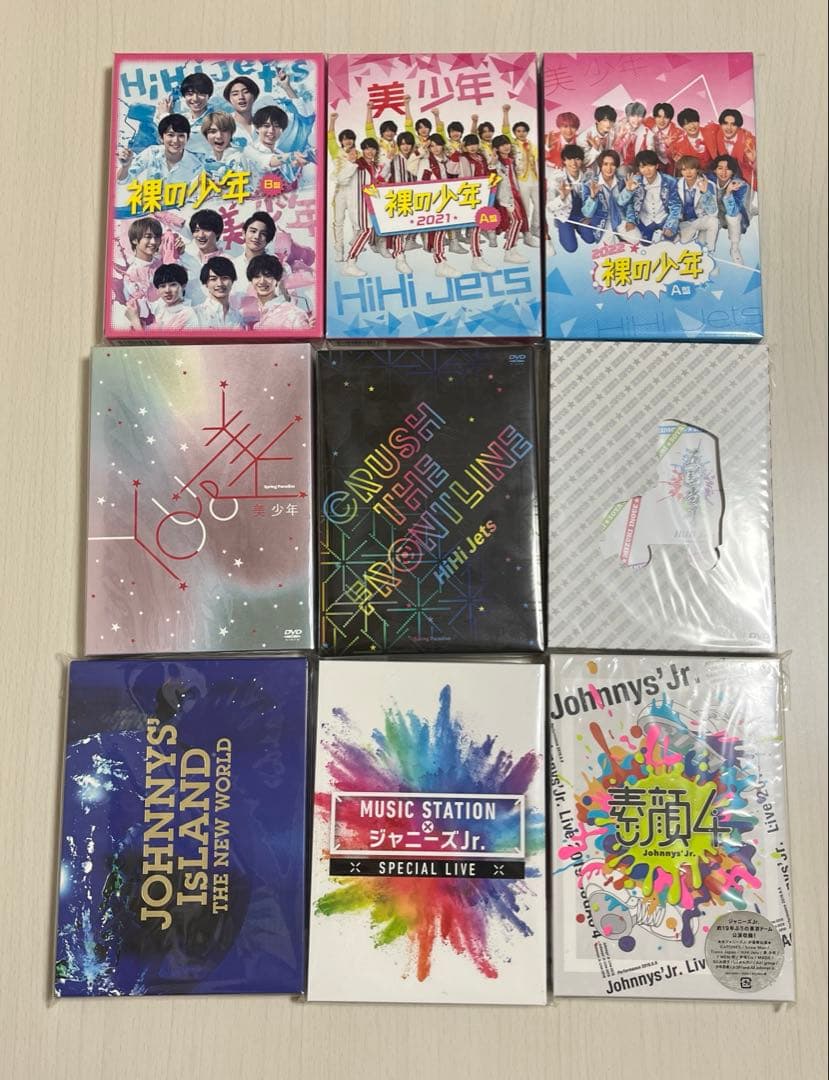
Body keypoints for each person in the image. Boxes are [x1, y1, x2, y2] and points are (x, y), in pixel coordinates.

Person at [447, 133, 495, 273]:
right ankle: (475, 256)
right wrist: (458, 151)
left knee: (477, 225)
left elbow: (489, 172)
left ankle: (477, 257)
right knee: (472, 224)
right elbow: (450, 169)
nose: (472, 147)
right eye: (469, 145)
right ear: (464, 146)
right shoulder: (462, 157)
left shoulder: (481, 157)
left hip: (482, 193)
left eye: (474, 144)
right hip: (468, 194)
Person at [341, 138, 389, 277]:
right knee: (366, 230)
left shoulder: (372, 165)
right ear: (362, 150)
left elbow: (372, 184)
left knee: (370, 229)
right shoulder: (358, 164)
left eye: (373, 148)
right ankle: (350, 263)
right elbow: (342, 179)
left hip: (370, 204)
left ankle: (356, 257)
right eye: (367, 148)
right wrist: (350, 163)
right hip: (359, 204)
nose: (370, 151)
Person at [116, 114, 201, 184]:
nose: (175, 140)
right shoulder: (152, 152)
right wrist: (125, 167)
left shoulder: (196, 163)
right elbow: (122, 180)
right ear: (161, 138)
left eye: (181, 136)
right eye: (170, 135)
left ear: (187, 138)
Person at [239, 254, 311, 330]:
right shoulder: (245, 315)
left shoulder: (294, 315)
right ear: (251, 280)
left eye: (268, 276)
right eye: (257, 276)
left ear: (277, 279)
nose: (262, 281)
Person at [624, 149, 681, 243]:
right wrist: (630, 220)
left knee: (670, 244)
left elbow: (676, 206)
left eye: (650, 166)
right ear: (639, 168)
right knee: (644, 245)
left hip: (664, 219)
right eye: (642, 167)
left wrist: (670, 226)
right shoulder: (635, 181)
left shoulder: (670, 181)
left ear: (657, 166)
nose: (647, 170)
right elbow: (628, 203)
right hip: (644, 220)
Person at [580, 149, 636, 243]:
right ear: (600, 165)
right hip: (603, 223)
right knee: (612, 248)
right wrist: (592, 197)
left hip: (622, 220)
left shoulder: (623, 181)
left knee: (636, 240)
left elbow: (629, 204)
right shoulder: (589, 184)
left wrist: (630, 220)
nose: (609, 168)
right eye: (605, 164)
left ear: (616, 166)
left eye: (612, 164)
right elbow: (586, 213)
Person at [546, 144, 594, 253]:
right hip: (564, 215)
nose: (573, 163)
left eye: (577, 159)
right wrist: (562, 197)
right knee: (571, 248)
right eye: (570, 159)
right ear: (564, 160)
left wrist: (589, 217)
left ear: (582, 161)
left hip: (581, 214)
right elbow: (549, 207)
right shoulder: (556, 177)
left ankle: (579, 227)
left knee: (591, 239)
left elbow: (594, 199)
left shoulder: (589, 175)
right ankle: (565, 228)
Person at [502, 104, 539, 245]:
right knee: (525, 208)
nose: (521, 133)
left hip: (534, 179)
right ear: (515, 133)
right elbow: (505, 130)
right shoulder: (512, 144)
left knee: (539, 205)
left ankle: (535, 227)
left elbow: (537, 160)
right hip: (520, 180)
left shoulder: (532, 145)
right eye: (518, 131)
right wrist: (505, 113)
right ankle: (522, 230)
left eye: (524, 131)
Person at [491, 134, 530, 264]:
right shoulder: (497, 163)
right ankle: (509, 251)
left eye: (507, 143)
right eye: (502, 145)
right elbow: (492, 174)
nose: (506, 147)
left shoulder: (511, 160)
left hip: (515, 194)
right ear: (496, 148)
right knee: (517, 221)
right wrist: (493, 161)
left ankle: (512, 250)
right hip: (506, 197)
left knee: (518, 221)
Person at [125, 263, 199, 330]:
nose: (167, 290)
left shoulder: (187, 314)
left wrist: (135, 320)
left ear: (183, 286)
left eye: (173, 285)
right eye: (163, 286)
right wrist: (136, 315)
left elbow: (150, 341)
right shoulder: (161, 310)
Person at [328, 115, 359, 262]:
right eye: (345, 139)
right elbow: (330, 138)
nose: (348, 141)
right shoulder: (336, 151)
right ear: (341, 141)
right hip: (340, 190)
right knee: (338, 222)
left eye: (350, 138)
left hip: (355, 190)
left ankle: (356, 245)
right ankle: (339, 250)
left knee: (357, 221)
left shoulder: (359, 153)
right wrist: (332, 121)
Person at [708, 154, 750, 264]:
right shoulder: (708, 180)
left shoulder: (740, 185)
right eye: (720, 168)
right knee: (707, 218)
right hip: (714, 213)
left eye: (728, 169)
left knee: (733, 217)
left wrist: (728, 193)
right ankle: (709, 251)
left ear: (733, 172)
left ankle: (734, 249)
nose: (723, 172)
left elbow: (733, 211)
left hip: (730, 214)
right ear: (715, 170)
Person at [703, 109, 757, 190]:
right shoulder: (714, 133)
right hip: (720, 173)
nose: (729, 128)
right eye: (725, 123)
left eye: (733, 124)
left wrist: (753, 161)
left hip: (741, 174)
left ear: (738, 126)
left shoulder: (749, 141)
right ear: (721, 125)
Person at [675, 155, 718, 251]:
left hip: (701, 221)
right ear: (681, 171)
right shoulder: (676, 184)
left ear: (697, 170)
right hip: (684, 224)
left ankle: (710, 251)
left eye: (691, 169)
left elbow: (713, 213)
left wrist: (705, 193)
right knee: (679, 247)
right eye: (684, 169)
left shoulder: (709, 184)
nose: (688, 172)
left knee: (714, 222)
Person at [232, 211, 277, 296]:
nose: (257, 237)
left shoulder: (278, 266)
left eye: (263, 234)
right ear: (244, 233)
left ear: (268, 239)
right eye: (253, 231)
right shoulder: (233, 265)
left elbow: (289, 298)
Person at [194, 256, 244, 328]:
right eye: (213, 279)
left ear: (232, 281)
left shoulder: (238, 317)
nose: (220, 284)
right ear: (206, 283)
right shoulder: (196, 314)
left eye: (225, 278)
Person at [199, 111, 246, 181]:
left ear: (231, 133)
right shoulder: (207, 159)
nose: (219, 136)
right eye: (213, 131)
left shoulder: (239, 159)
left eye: (224, 130)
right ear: (206, 135)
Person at [613, 102, 654, 174]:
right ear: (627, 116)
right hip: (624, 165)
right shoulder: (620, 129)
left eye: (639, 116)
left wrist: (643, 169)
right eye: (633, 116)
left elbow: (650, 155)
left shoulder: (648, 133)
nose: (636, 119)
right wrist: (620, 137)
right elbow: (614, 152)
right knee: (621, 172)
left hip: (642, 166)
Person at [223, 75, 261, 149]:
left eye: (246, 92)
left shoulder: (263, 124)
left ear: (254, 96)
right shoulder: (223, 125)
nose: (241, 97)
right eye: (235, 94)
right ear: (230, 99)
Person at [645, 103, 679, 173]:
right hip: (653, 161)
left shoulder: (677, 133)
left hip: (670, 163)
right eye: (659, 116)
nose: (662, 120)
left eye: (666, 117)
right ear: (654, 117)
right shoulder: (649, 126)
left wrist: (670, 146)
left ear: (670, 119)